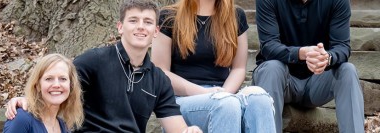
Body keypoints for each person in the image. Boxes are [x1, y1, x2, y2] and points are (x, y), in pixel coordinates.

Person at [4, 0, 202, 132]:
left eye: (148, 22)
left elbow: (177, 128)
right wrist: (27, 99)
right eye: (133, 20)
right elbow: (59, 85)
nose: (141, 26)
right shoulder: (95, 60)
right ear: (120, 27)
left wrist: (189, 131)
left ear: (156, 31)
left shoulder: (159, 80)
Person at [151, 0, 276, 132]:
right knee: (226, 104)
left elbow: (238, 68)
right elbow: (160, 72)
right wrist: (206, 94)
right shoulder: (169, 16)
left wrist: (224, 94)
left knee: (259, 98)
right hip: (183, 100)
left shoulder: (235, 15)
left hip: (224, 95)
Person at [252, 0, 365, 132]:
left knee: (348, 71)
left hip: (317, 83)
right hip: (280, 81)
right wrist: (301, 53)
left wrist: (327, 58)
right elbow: (268, 46)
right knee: (271, 68)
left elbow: (342, 46)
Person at [3, 54, 84, 133]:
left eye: (63, 79)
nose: (56, 85)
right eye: (49, 79)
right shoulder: (22, 119)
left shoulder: (64, 126)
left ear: (71, 85)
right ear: (38, 85)